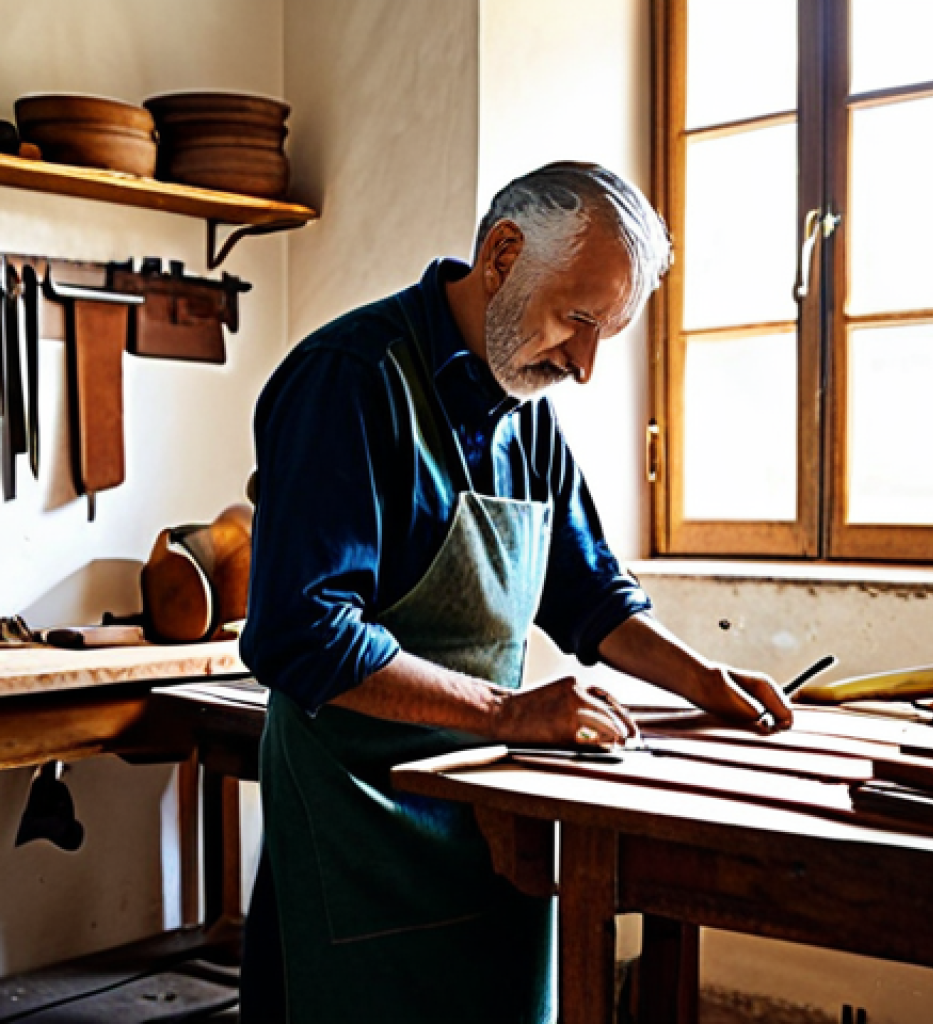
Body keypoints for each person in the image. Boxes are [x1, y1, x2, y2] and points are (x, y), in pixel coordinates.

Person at [238, 161, 792, 1024]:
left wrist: (702, 680)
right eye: (577, 320)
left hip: (486, 820)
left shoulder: (527, 407)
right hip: (359, 819)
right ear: (501, 255)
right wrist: (508, 714)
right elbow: (301, 633)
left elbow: (590, 594)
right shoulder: (348, 379)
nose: (584, 366)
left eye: (606, 332)